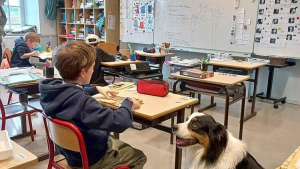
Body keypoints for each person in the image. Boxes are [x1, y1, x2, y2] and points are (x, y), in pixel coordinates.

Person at [39, 41, 147, 169]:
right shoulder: (83, 104)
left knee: (112, 139)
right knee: (140, 156)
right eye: (93, 67)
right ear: (83, 72)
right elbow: (119, 122)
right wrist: (128, 102)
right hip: (91, 158)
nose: (93, 70)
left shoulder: (51, 91)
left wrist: (95, 89)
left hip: (71, 154)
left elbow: (71, 94)